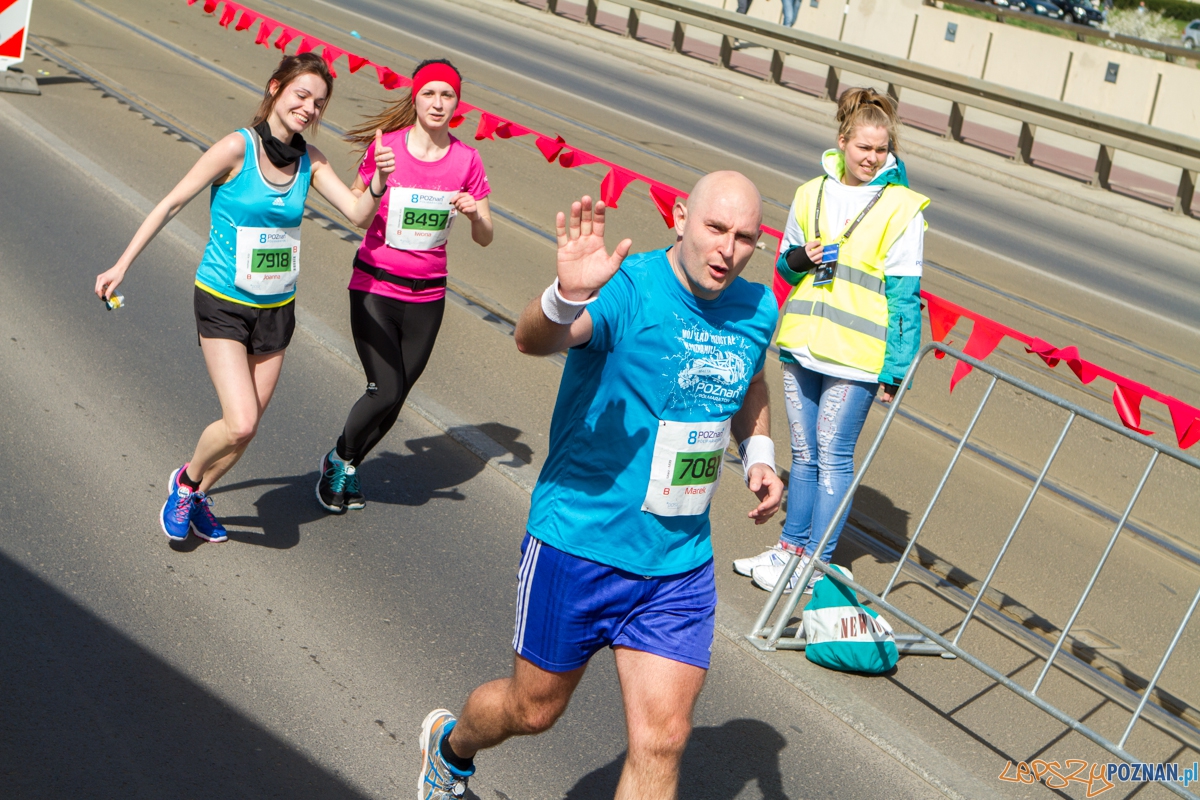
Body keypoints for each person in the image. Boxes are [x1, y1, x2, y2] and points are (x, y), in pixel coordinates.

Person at [416, 174, 784, 800]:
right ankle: (451, 749)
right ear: (679, 218)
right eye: (714, 229)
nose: (727, 249)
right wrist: (565, 296)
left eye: (744, 237)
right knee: (533, 710)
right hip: (579, 543)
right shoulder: (629, 289)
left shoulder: (756, 308)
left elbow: (747, 380)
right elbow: (536, 339)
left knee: (663, 739)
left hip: (677, 564)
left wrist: (760, 453)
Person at [94, 53, 395, 543]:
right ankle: (186, 482)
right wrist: (121, 264)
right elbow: (172, 201)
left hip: (277, 307)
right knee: (240, 420)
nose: (309, 108)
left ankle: (197, 495)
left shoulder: (310, 161)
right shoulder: (236, 148)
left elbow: (358, 214)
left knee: (248, 430)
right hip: (223, 300)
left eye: (318, 103)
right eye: (301, 95)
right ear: (275, 88)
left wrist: (378, 181)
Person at [732, 87, 928, 594]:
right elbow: (783, 265)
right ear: (842, 141)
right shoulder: (809, 193)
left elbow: (907, 300)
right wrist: (803, 258)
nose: (872, 158)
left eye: (881, 150)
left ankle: (817, 562)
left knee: (832, 454)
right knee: (803, 452)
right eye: (864, 147)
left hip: (857, 357)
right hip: (802, 345)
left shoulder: (903, 209)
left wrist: (896, 369)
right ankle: (790, 549)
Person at [315, 59, 492, 513]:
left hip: (427, 296)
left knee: (397, 398)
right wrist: (377, 179)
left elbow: (486, 236)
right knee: (385, 390)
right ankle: (339, 459)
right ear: (415, 97)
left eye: (446, 95)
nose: (437, 103)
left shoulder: (466, 160)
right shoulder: (387, 148)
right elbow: (355, 209)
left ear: (457, 103)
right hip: (375, 286)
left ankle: (346, 465)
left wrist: (475, 213)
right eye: (429, 93)